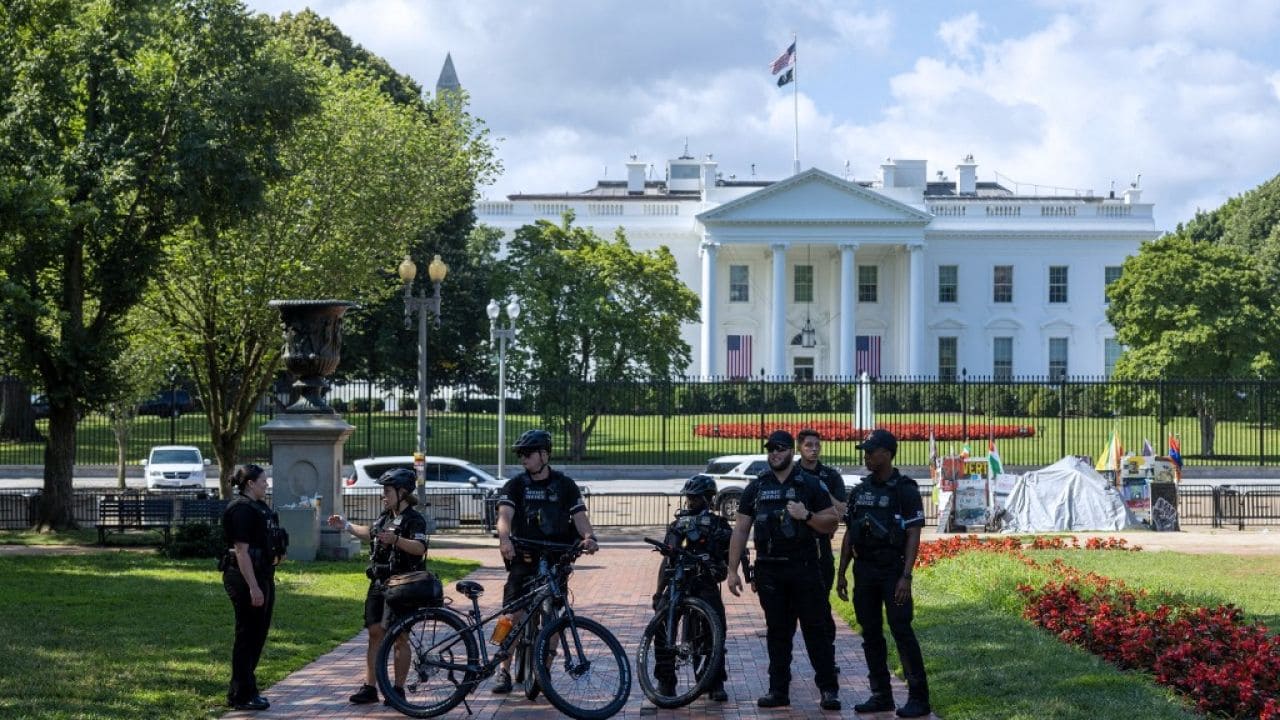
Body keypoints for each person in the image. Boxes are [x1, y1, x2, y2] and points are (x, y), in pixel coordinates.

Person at [726, 429, 842, 711]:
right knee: (778, 633)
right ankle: (778, 690)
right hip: (769, 571)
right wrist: (732, 570)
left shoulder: (810, 484)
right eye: (770, 449)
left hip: (804, 568)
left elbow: (833, 522)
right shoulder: (757, 487)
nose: (774, 453)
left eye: (779, 448)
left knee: (816, 630)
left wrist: (807, 516)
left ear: (791, 451)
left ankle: (828, 690)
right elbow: (741, 529)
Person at [491, 429, 599, 694]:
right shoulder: (515, 485)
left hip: (555, 560)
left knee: (554, 618)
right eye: (521, 455)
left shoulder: (564, 485)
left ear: (544, 455)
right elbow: (504, 516)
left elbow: (580, 517)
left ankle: (544, 668)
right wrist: (504, 539)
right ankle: (501, 668)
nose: (523, 459)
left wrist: (588, 537)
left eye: (528, 454)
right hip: (524, 557)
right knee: (510, 615)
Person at [836, 429, 931, 718]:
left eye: (870, 450)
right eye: (864, 450)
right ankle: (881, 695)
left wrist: (906, 576)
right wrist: (842, 573)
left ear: (887, 453)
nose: (865, 455)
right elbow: (850, 534)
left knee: (902, 631)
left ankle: (918, 698)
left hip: (893, 572)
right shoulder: (861, 490)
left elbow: (914, 534)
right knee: (871, 634)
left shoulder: (905, 489)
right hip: (865, 571)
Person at [327, 468, 429, 706]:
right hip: (379, 583)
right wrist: (346, 525)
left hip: (404, 584)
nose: (384, 494)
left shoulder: (415, 519)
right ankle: (370, 687)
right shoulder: (386, 516)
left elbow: (419, 548)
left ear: (402, 492)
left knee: (400, 637)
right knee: (375, 634)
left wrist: (396, 540)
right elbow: (371, 534)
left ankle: (397, 690)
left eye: (387, 490)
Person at [651, 474, 733, 702]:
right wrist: (659, 592)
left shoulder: (719, 524)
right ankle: (665, 681)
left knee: (715, 631)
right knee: (662, 626)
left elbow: (729, 557)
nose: (690, 502)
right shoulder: (677, 525)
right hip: (678, 582)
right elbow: (667, 559)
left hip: (705, 583)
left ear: (708, 499)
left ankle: (714, 681)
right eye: (689, 498)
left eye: (695, 498)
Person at [220, 464, 279, 711]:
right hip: (244, 578)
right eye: (263, 480)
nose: (267, 484)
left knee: (257, 635)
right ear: (250, 483)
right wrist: (254, 588)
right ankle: (242, 694)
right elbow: (241, 552)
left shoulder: (259, 507)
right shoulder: (241, 510)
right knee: (247, 636)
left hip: (262, 575)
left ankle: (243, 689)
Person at [796, 428, 849, 657]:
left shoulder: (830, 476)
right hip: (794, 547)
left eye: (817, 445)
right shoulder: (790, 474)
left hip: (820, 547)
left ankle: (827, 654)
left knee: (821, 602)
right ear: (799, 446)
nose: (814, 449)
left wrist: (824, 492)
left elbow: (841, 512)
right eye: (809, 445)